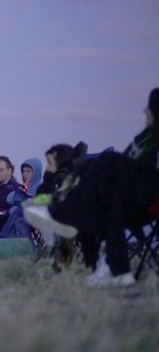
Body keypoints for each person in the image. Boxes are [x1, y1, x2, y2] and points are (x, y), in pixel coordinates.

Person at [26, 88, 159, 288]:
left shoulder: (155, 141)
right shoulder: (144, 137)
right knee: (96, 181)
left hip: (144, 198)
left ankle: (61, 211)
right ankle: (109, 267)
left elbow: (139, 171)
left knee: (106, 163)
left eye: (149, 109)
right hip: (117, 197)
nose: (144, 113)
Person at [0, 158, 43, 240]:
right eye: (23, 171)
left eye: (28, 171)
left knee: (18, 214)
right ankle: (23, 247)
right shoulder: (25, 187)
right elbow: (9, 199)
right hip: (23, 216)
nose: (25, 174)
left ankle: (2, 240)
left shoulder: (42, 187)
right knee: (17, 216)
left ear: (36, 172)